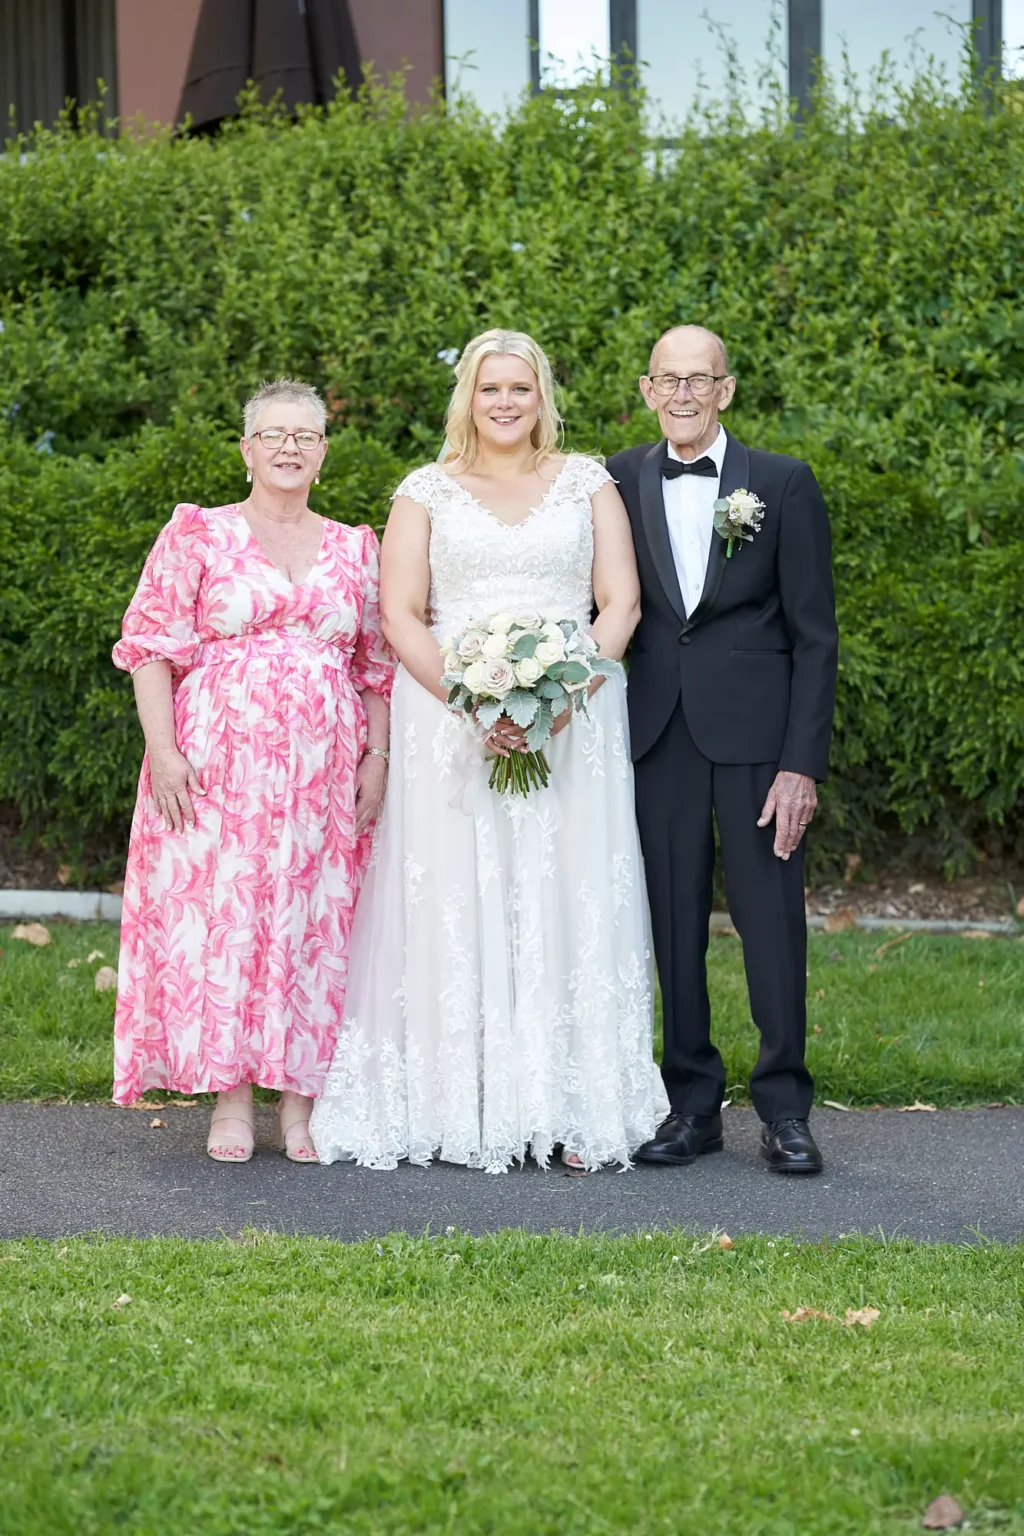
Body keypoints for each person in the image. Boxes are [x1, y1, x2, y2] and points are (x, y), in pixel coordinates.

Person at [311, 329, 667, 1172]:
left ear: (543, 396)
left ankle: (573, 1106)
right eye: (489, 388)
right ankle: (454, 1101)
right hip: (448, 720)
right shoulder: (426, 490)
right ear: (466, 399)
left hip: (575, 722)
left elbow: (619, 603)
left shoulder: (587, 483)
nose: (505, 402)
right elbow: (401, 613)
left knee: (564, 892)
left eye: (520, 388)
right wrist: (476, 706)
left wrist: (565, 699)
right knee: (458, 897)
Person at [111, 378, 393, 1164]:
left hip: (326, 771)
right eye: (274, 434)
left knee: (320, 920)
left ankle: (299, 1107)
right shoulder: (197, 534)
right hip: (216, 764)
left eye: (305, 435)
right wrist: (164, 752)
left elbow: (378, 668)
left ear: (324, 452)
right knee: (225, 922)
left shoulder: (354, 548)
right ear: (246, 449)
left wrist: (378, 757)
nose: (290, 447)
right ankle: (231, 1102)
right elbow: (151, 648)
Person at [607, 326, 838, 1174]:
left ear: (727, 390)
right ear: (645, 389)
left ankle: (784, 1109)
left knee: (770, 922)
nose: (682, 395)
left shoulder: (781, 483)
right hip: (657, 732)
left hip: (758, 743)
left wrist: (800, 763)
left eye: (698, 380)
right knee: (670, 926)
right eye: (667, 380)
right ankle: (690, 1106)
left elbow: (816, 636)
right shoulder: (617, 479)